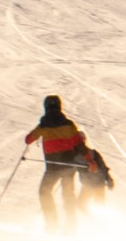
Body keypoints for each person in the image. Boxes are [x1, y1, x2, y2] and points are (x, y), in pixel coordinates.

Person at [19, 96, 111, 233]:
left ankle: (52, 224)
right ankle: (70, 226)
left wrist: (40, 133)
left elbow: (28, 140)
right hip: (68, 167)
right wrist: (90, 161)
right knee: (68, 195)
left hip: (52, 168)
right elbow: (79, 144)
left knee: (44, 192)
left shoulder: (43, 125)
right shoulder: (68, 125)